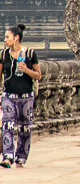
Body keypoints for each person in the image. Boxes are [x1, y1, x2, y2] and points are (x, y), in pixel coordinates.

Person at [1, 24, 41, 168]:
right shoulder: (3, 54)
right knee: (7, 125)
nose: (5, 40)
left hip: (26, 96)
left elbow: (38, 75)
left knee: (25, 128)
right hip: (8, 95)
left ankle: (21, 158)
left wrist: (26, 70)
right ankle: (7, 157)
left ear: (16, 38)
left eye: (7, 37)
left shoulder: (29, 54)